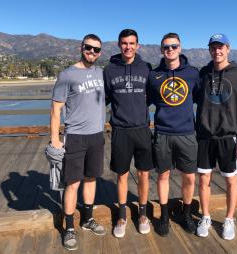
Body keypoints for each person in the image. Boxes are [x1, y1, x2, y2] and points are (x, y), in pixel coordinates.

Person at [50, 34, 106, 250]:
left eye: (96, 50)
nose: (92, 52)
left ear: (100, 53)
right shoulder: (67, 75)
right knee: (72, 183)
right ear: (81, 48)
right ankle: (70, 227)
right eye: (88, 48)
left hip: (96, 135)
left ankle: (88, 219)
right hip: (75, 136)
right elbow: (56, 110)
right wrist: (55, 139)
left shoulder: (100, 72)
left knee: (91, 179)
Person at [195, 33, 237, 240]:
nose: (217, 51)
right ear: (209, 50)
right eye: (213, 47)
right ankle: (205, 216)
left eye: (220, 47)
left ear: (228, 49)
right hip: (204, 136)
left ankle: (229, 219)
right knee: (203, 181)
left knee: (230, 181)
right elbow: (188, 98)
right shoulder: (203, 73)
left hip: (229, 137)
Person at [103, 29, 154, 237]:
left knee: (144, 173)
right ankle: (122, 216)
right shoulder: (109, 70)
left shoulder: (147, 68)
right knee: (122, 175)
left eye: (132, 43)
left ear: (138, 45)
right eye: (124, 43)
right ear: (118, 45)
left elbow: (152, 95)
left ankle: (142, 214)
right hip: (120, 131)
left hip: (142, 129)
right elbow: (102, 99)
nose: (128, 47)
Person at [148, 33, 199, 236]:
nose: (170, 49)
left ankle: (186, 214)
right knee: (163, 175)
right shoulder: (154, 76)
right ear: (161, 50)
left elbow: (201, 100)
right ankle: (164, 215)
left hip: (187, 133)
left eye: (174, 46)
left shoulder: (193, 74)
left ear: (180, 48)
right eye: (166, 47)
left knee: (189, 177)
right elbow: (145, 100)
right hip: (162, 133)